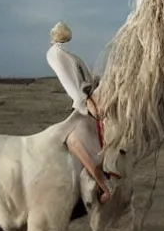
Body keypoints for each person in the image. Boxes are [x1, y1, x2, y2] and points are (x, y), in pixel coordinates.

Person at [46, 22, 114, 204]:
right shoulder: (56, 54)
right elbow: (69, 82)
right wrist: (85, 101)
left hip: (89, 98)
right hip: (84, 102)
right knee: (76, 141)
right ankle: (104, 186)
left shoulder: (65, 54)